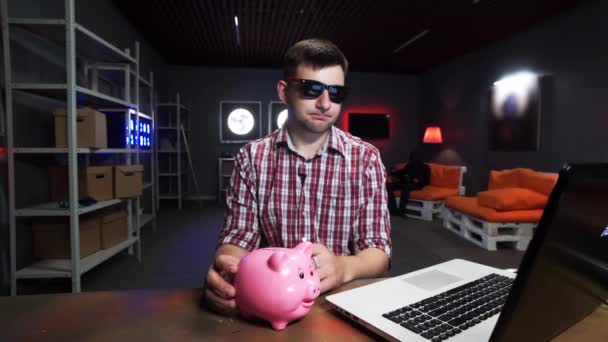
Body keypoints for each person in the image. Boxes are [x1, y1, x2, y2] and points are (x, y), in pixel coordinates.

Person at [203, 39, 391, 316]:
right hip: (270, 302)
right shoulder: (251, 157)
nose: (325, 103)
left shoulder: (366, 158)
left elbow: (378, 249)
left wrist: (343, 267)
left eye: (336, 93)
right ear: (284, 91)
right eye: (311, 89)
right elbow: (239, 236)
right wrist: (228, 269)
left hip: (342, 303)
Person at [386, 149, 430, 216]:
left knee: (406, 188)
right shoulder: (409, 166)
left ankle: (401, 211)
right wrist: (393, 172)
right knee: (388, 186)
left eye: (415, 157)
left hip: (417, 184)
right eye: (412, 157)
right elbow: (401, 172)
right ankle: (393, 209)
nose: (413, 159)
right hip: (405, 182)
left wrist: (418, 180)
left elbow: (427, 181)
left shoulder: (426, 167)